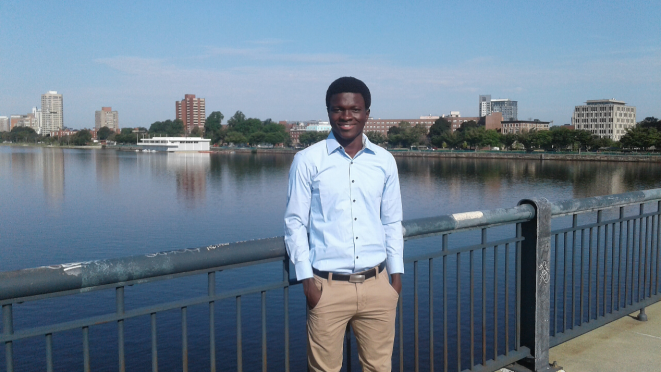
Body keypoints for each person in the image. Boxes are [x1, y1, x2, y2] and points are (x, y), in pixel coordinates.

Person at [284, 76, 404, 371]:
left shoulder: (384, 161)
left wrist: (396, 278)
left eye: (355, 109)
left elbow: (392, 220)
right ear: (328, 112)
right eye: (338, 109)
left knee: (379, 367)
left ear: (367, 114)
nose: (346, 116)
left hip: (378, 285)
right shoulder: (307, 160)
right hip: (327, 287)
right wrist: (308, 283)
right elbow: (295, 223)